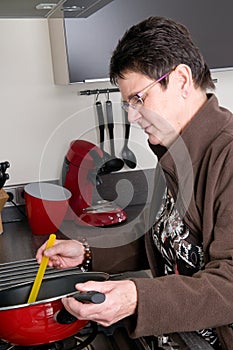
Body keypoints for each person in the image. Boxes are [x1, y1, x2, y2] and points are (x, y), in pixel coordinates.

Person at [36, 16, 233, 349]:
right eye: (128, 103)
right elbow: (166, 236)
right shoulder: (175, 150)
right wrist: (87, 254)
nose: (131, 116)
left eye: (139, 99)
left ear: (182, 80)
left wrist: (138, 298)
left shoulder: (226, 156)